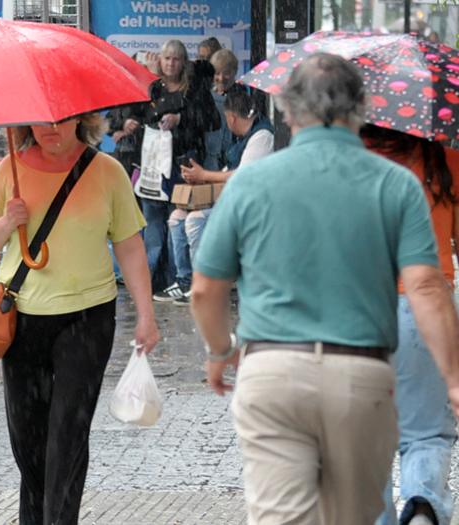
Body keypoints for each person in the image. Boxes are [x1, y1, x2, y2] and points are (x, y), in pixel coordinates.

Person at [189, 53, 459, 524]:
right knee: (397, 465)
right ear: (360, 108)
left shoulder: (254, 180)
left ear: (289, 112)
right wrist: (454, 376)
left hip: (282, 359)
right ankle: (421, 507)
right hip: (378, 350)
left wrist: (220, 350)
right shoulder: (410, 175)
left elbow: (205, 288)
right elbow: (425, 283)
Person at [0, 115, 160, 524]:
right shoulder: (11, 170)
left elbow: (129, 246)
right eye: (40, 121)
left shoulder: (107, 172)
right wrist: (7, 221)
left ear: (83, 118)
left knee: (67, 438)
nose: (50, 128)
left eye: (61, 118)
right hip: (20, 320)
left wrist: (146, 315)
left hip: (87, 321)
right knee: (28, 440)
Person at [363, 124, 459, 525]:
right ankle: (422, 505)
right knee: (427, 434)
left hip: (362, 308)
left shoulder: (351, 158)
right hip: (429, 308)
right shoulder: (446, 159)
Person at [137, 40, 219, 304]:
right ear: (160, 60)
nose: (171, 63)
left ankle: (177, 279)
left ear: (184, 63)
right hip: (153, 164)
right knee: (153, 223)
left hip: (184, 163)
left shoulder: (194, 89)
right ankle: (151, 279)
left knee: (178, 220)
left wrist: (181, 118)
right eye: (167, 58)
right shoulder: (153, 87)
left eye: (176, 59)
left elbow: (211, 120)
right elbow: (143, 117)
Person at [180, 86, 273, 258]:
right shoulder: (241, 137)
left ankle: (204, 277)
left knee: (195, 221)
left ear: (231, 118)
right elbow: (228, 169)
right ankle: (184, 277)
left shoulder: (262, 135)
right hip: (233, 199)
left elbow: (242, 175)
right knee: (177, 218)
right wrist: (200, 179)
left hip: (251, 206)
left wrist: (204, 175)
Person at [203, 49, 239, 171]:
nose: (221, 78)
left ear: (235, 72)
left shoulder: (242, 97)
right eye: (217, 73)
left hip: (231, 159)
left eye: (226, 73)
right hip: (209, 159)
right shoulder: (205, 94)